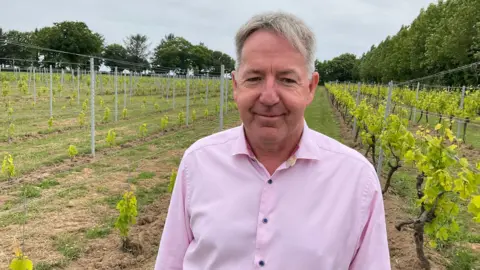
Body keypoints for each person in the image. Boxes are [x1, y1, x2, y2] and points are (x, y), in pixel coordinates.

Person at [154, 11, 391, 270]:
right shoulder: (197, 163)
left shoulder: (357, 180)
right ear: (235, 86)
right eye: (254, 78)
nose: (268, 97)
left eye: (287, 80)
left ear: (311, 88)